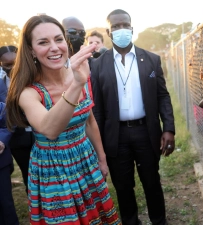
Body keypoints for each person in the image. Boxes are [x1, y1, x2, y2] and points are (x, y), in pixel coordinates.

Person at [5, 14, 121, 224]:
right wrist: (76, 84)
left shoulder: (78, 73)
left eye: (58, 39)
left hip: (85, 159)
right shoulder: (29, 93)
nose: (54, 47)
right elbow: (49, 129)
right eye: (43, 42)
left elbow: (89, 121)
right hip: (53, 168)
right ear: (31, 50)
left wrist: (102, 159)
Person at [91, 9, 175, 225]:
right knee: (123, 185)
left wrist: (168, 128)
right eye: (116, 27)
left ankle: (159, 221)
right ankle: (130, 222)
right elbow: (97, 109)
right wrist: (98, 145)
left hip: (146, 131)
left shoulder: (151, 60)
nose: (121, 30)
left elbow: (162, 96)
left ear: (132, 28)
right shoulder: (98, 65)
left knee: (151, 181)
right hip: (115, 135)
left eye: (125, 25)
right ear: (109, 32)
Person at [0, 45, 35, 194]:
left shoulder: (33, 77)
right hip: (17, 138)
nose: (12, 67)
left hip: (39, 133)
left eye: (15, 62)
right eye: (7, 64)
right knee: (28, 174)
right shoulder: (1, 85)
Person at [0, 102, 18, 225]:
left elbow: (9, 121)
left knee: (4, 203)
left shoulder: (1, 107)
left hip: (0, 164)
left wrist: (1, 140)